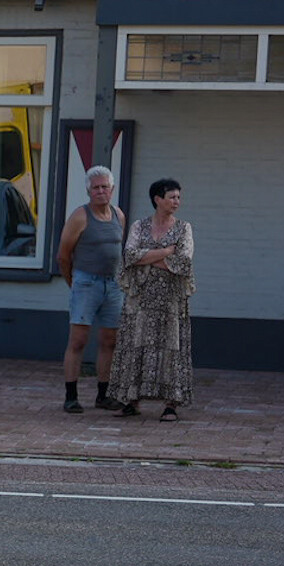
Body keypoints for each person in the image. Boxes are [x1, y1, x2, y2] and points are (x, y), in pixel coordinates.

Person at [111, 178, 194, 422]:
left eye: (178, 197)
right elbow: (129, 255)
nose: (177, 202)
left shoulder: (184, 228)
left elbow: (184, 261)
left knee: (171, 348)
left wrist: (146, 258)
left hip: (170, 300)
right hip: (140, 298)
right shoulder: (139, 226)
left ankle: (171, 404)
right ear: (158, 199)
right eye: (172, 197)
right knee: (134, 344)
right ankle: (131, 400)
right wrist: (166, 252)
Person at [57, 166, 127, 414]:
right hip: (86, 282)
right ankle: (71, 396)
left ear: (112, 189)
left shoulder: (119, 215)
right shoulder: (80, 216)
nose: (100, 191)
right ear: (88, 191)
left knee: (110, 340)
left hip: (113, 284)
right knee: (78, 340)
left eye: (104, 187)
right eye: (95, 188)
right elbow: (63, 255)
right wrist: (74, 282)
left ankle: (103, 394)